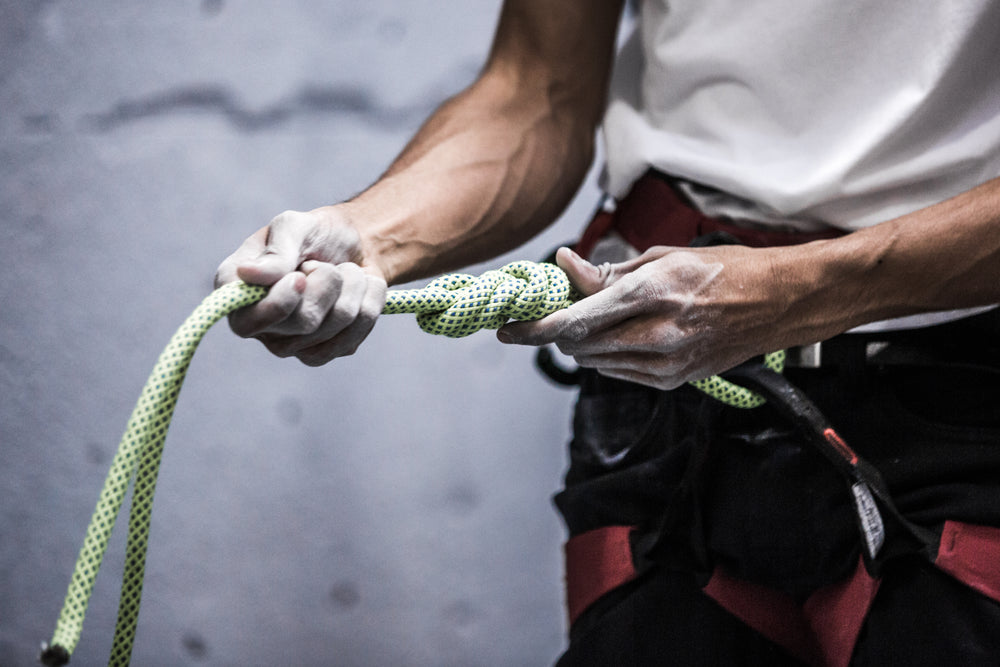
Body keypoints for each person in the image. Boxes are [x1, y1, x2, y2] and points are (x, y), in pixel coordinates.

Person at [215, 1, 1000, 664]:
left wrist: (801, 289)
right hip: (665, 402)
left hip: (962, 390)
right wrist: (367, 237)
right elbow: (538, 91)